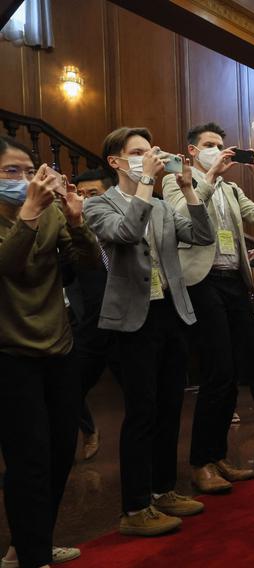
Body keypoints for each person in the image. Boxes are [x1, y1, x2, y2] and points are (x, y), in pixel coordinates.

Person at [84, 126, 215, 537]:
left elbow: (202, 234)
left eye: (150, 151)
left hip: (170, 313)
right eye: (138, 152)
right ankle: (135, 507)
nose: (148, 157)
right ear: (116, 161)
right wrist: (144, 183)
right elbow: (124, 233)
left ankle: (163, 490)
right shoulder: (98, 205)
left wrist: (190, 188)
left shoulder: (160, 205)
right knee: (141, 412)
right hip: (133, 320)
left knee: (170, 406)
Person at [0, 136, 98, 568]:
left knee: (61, 452)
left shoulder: (54, 212)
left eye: (27, 169)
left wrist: (77, 222)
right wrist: (28, 215)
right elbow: (8, 266)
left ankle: (30, 542)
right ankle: (32, 554)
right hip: (10, 353)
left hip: (58, 347)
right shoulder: (24, 215)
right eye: (10, 171)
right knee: (29, 458)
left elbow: (90, 266)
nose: (23, 178)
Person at [162, 122, 254, 494]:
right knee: (217, 371)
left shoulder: (231, 187)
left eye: (222, 145)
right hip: (202, 280)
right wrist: (208, 176)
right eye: (210, 144)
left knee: (235, 372)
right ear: (193, 150)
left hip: (233, 281)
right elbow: (181, 215)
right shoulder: (175, 178)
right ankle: (200, 463)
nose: (219, 149)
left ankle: (218, 455)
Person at [65, 169, 117, 462]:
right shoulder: (71, 232)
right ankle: (87, 429)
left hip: (126, 326)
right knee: (69, 390)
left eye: (92, 194)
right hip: (91, 328)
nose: (84, 200)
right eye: (80, 194)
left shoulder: (122, 226)